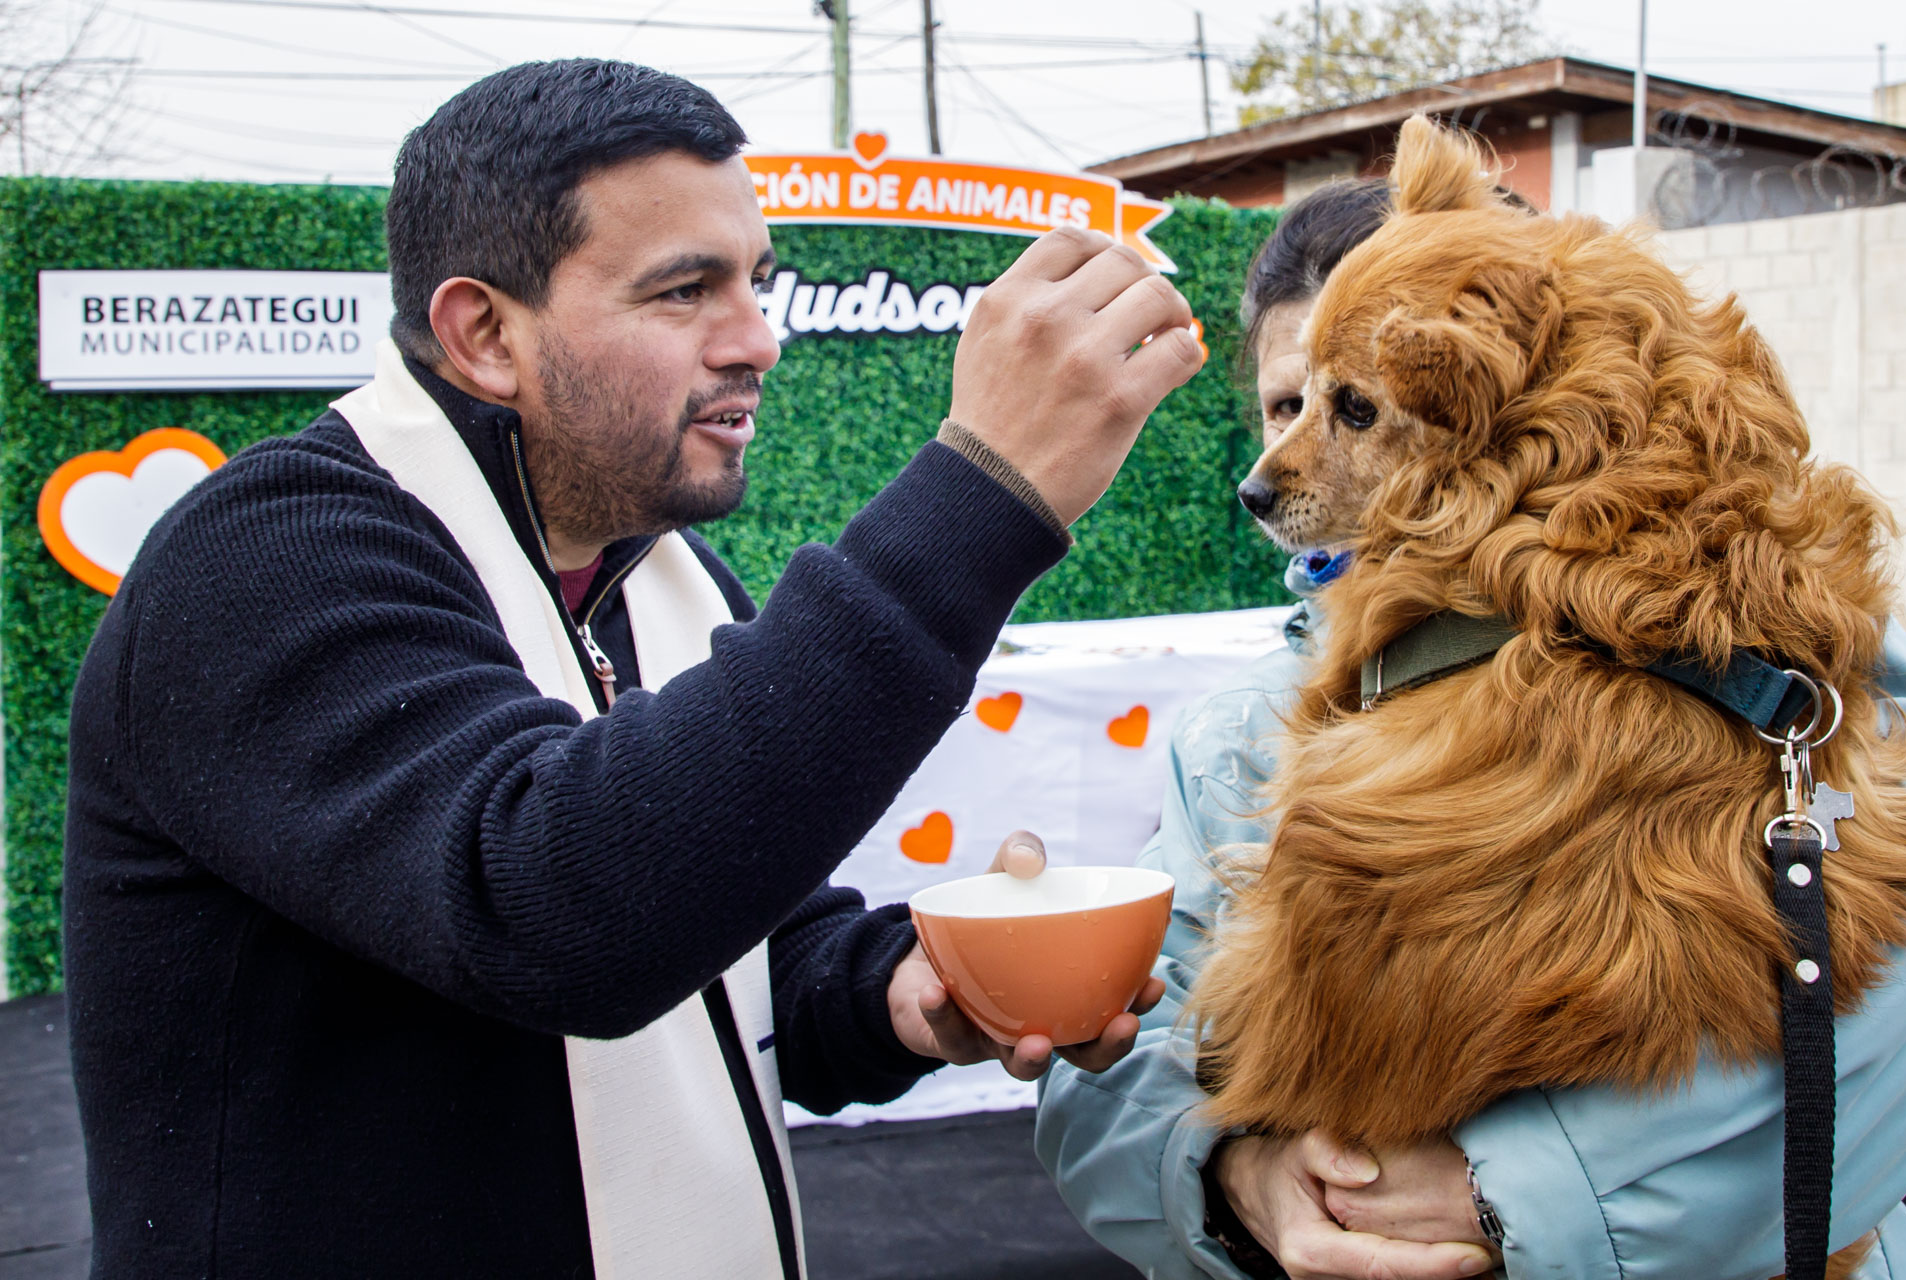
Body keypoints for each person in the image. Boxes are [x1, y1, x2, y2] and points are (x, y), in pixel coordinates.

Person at [61, 60, 1199, 1279]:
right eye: (683, 290)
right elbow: (558, 908)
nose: (758, 338)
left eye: (756, 284)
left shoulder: (663, 576)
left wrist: (901, 992)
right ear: (485, 332)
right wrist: (985, 494)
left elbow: (731, 949)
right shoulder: (268, 556)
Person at [1034, 177, 1906, 1280]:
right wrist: (1232, 1172)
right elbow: (1106, 1072)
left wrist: (1518, 1190)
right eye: (1283, 403)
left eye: (1348, 407)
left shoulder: (1786, 675)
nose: (1276, 467)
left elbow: (1888, 1027)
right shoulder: (1229, 735)